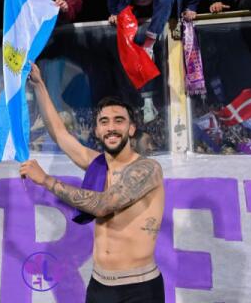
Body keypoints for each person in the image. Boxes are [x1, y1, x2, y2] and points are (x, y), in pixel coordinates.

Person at [20, 63, 165, 303]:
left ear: (131, 129)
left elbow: (103, 205)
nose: (111, 128)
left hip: (140, 289)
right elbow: (60, 134)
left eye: (119, 121)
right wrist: (39, 85)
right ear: (97, 130)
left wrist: (46, 180)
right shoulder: (98, 164)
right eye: (104, 122)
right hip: (100, 286)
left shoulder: (148, 169)